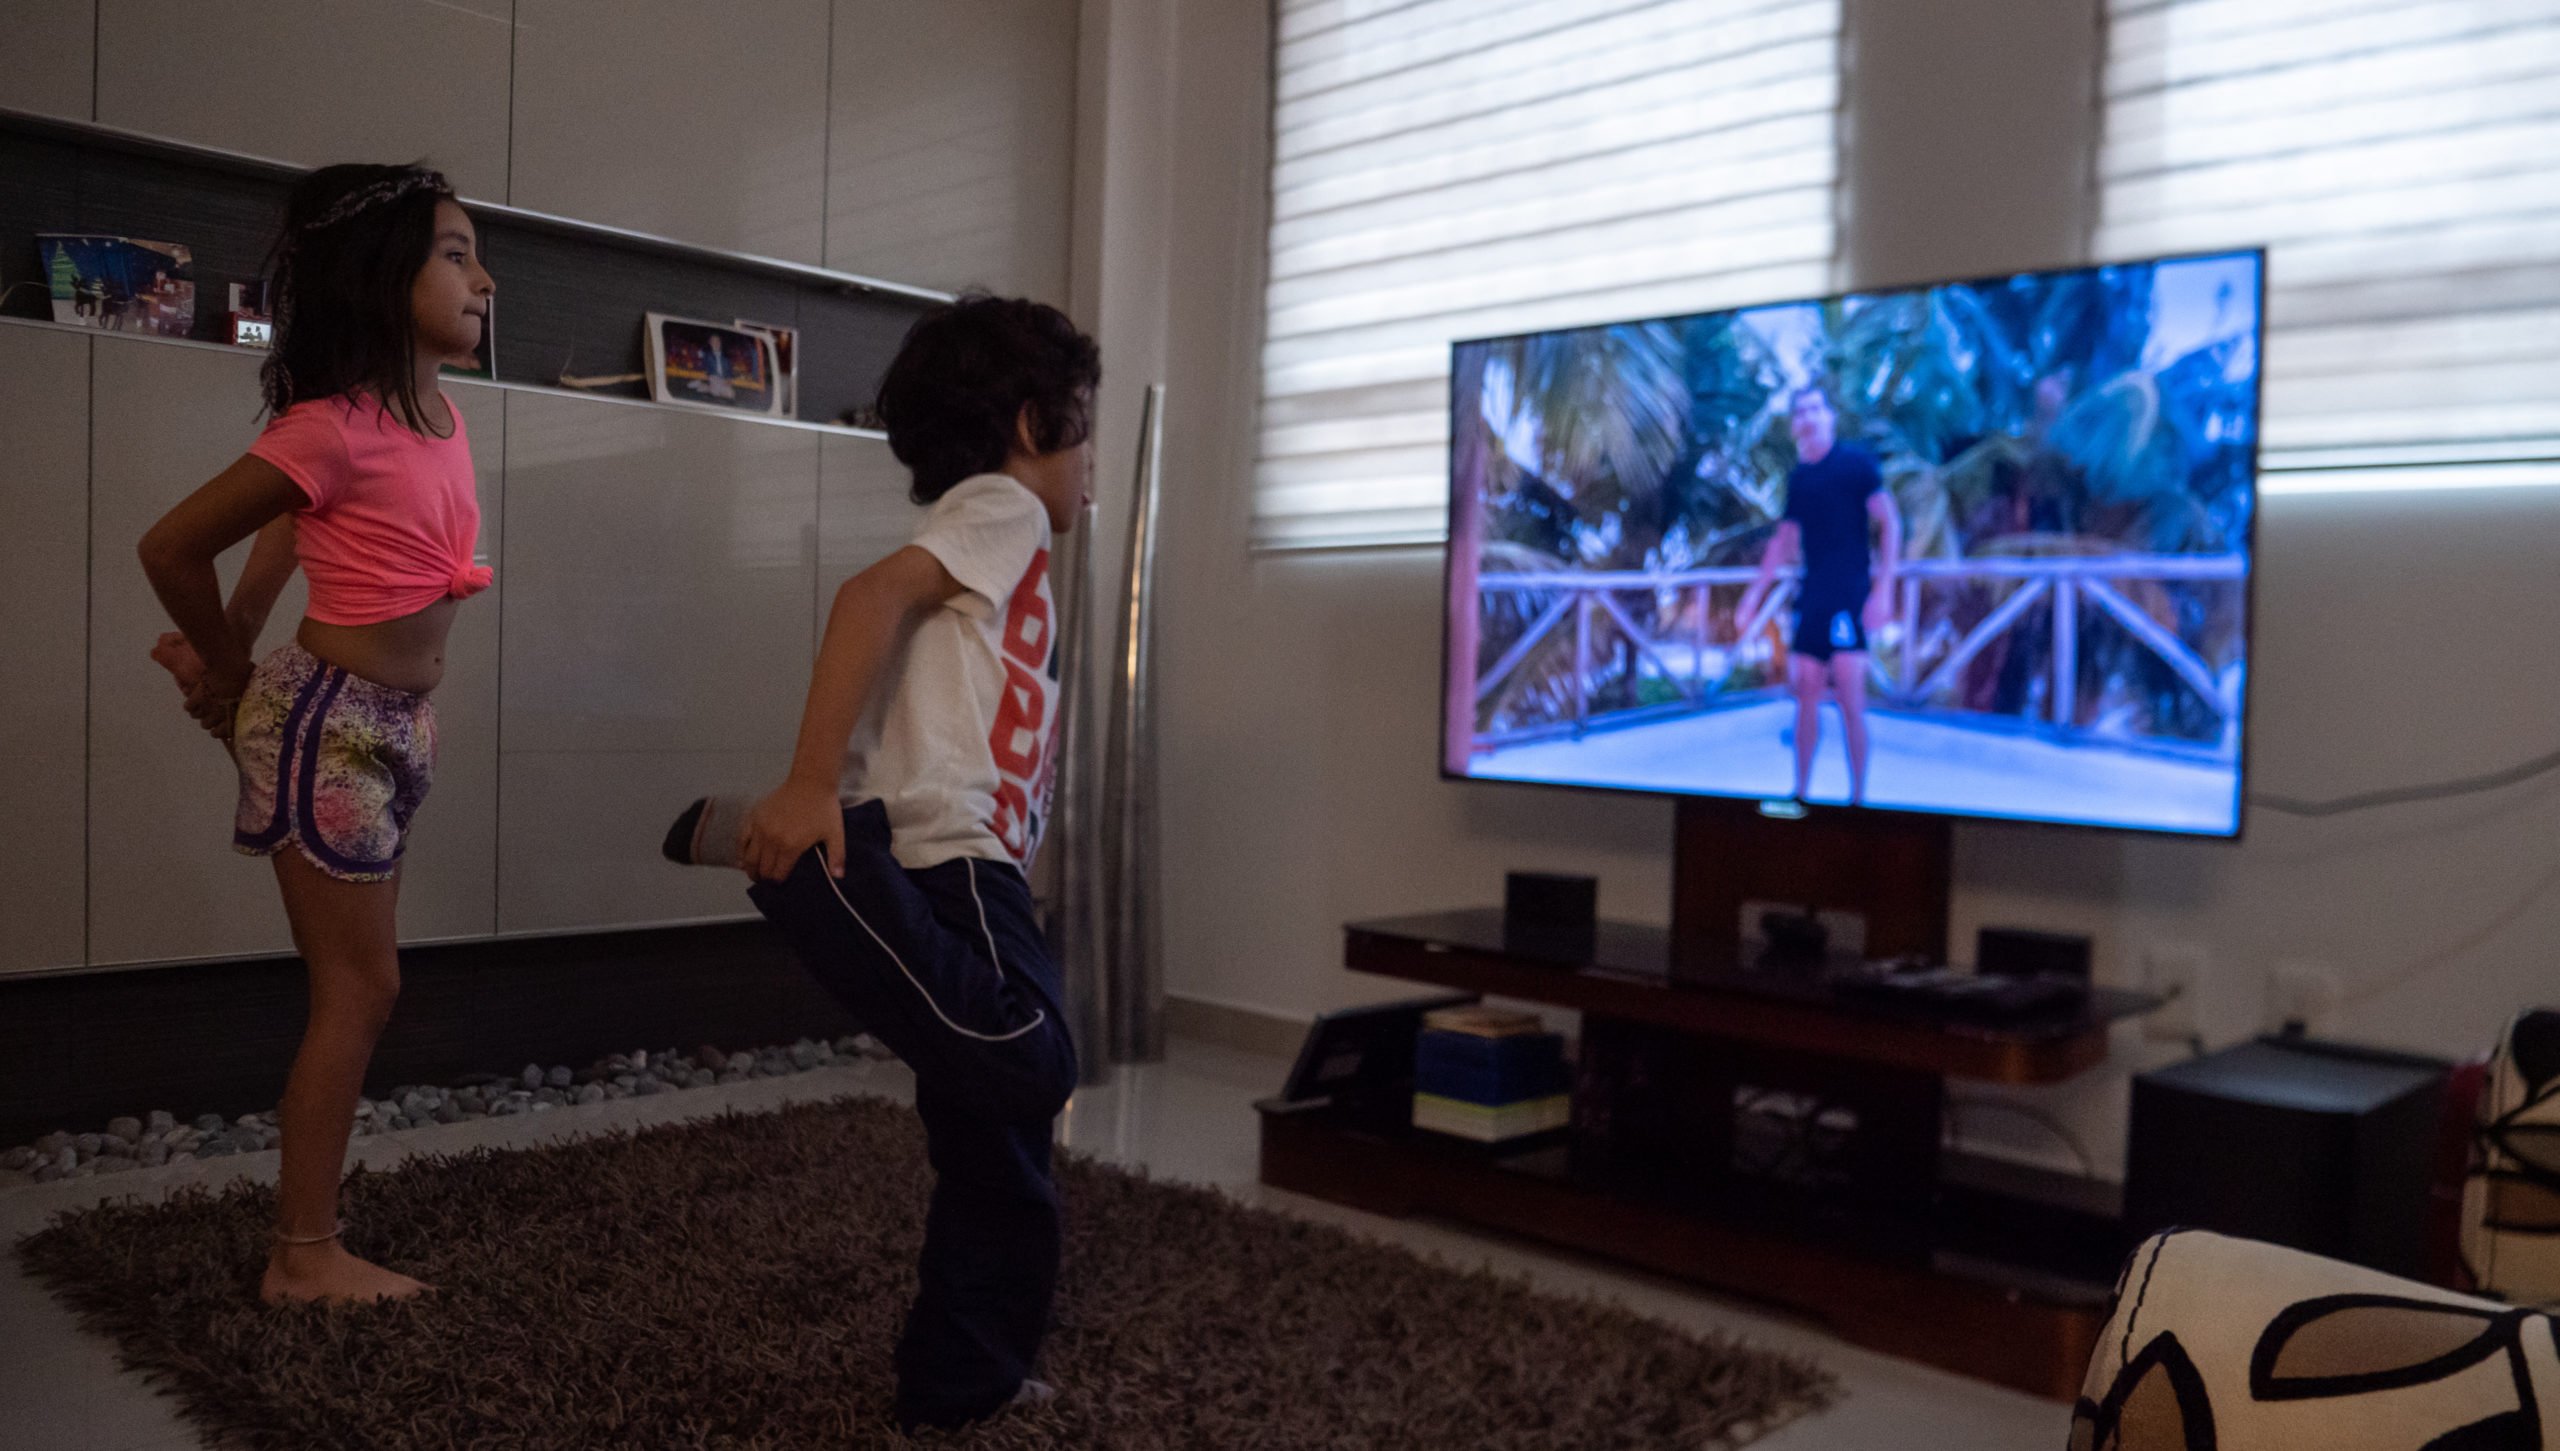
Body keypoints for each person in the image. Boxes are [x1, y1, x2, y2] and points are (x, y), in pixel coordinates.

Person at [663, 293, 1091, 1432]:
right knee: (1032, 1061)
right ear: (1033, 421)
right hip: (956, 855)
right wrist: (810, 785)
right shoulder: (1006, 506)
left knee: (996, 1150)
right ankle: (809, 864)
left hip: (975, 853)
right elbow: (869, 595)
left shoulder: (998, 523)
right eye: (1084, 428)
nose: (1092, 463)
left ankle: (961, 1384)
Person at [136, 163, 495, 1305]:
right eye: (455, 253)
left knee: (362, 982)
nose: (486, 279)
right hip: (328, 727)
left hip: (391, 724)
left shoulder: (437, 414)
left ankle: (310, 1235)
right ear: (382, 277)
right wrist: (236, 666)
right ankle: (303, 1255)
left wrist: (232, 650)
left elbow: (296, 533)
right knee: (360, 985)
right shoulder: (328, 425)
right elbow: (169, 547)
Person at [1739, 385, 1901, 804]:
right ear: (1796, 425)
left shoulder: (1856, 465)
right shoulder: (1801, 479)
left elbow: (1890, 524)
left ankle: (1858, 800)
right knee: (1805, 695)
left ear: (1829, 416)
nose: (1809, 417)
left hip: (1850, 595)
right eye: (1801, 412)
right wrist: (1753, 596)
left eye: (1816, 408)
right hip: (1812, 597)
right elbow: (1784, 540)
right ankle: (1801, 794)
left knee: (1850, 699)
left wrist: (1883, 592)